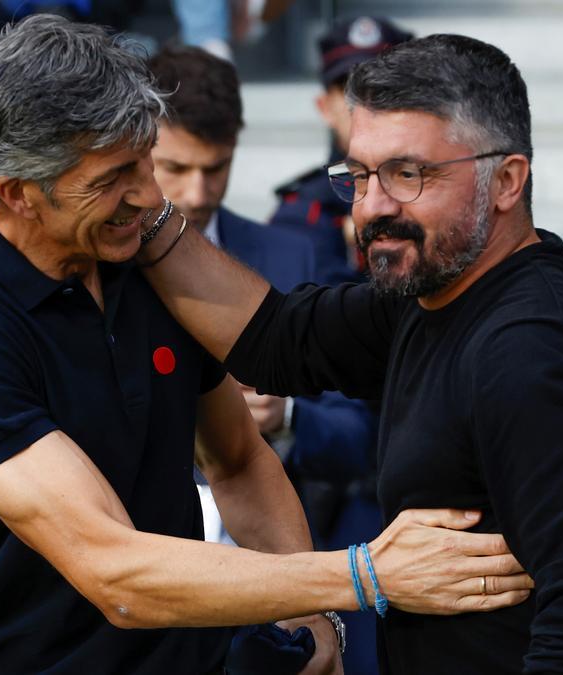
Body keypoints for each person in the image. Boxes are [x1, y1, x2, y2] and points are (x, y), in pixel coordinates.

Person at [0, 16, 533, 675]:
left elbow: (239, 458)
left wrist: (312, 619)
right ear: (17, 193)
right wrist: (361, 576)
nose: (148, 196)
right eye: (110, 179)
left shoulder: (145, 261)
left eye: (144, 160)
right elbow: (118, 572)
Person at [138, 33, 563, 674]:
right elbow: (279, 339)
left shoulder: (533, 350)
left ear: (506, 180)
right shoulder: (436, 286)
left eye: (407, 174)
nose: (373, 208)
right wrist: (142, 208)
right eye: (360, 176)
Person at [147, 45, 380, 675]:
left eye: (216, 168)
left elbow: (363, 435)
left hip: (285, 596)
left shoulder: (291, 256)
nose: (197, 193)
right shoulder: (96, 268)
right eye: (174, 167)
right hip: (147, 597)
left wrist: (290, 417)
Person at [269, 16, 412, 286]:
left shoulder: (446, 188)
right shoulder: (302, 211)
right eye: (351, 91)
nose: (368, 103)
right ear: (324, 107)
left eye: (385, 87)